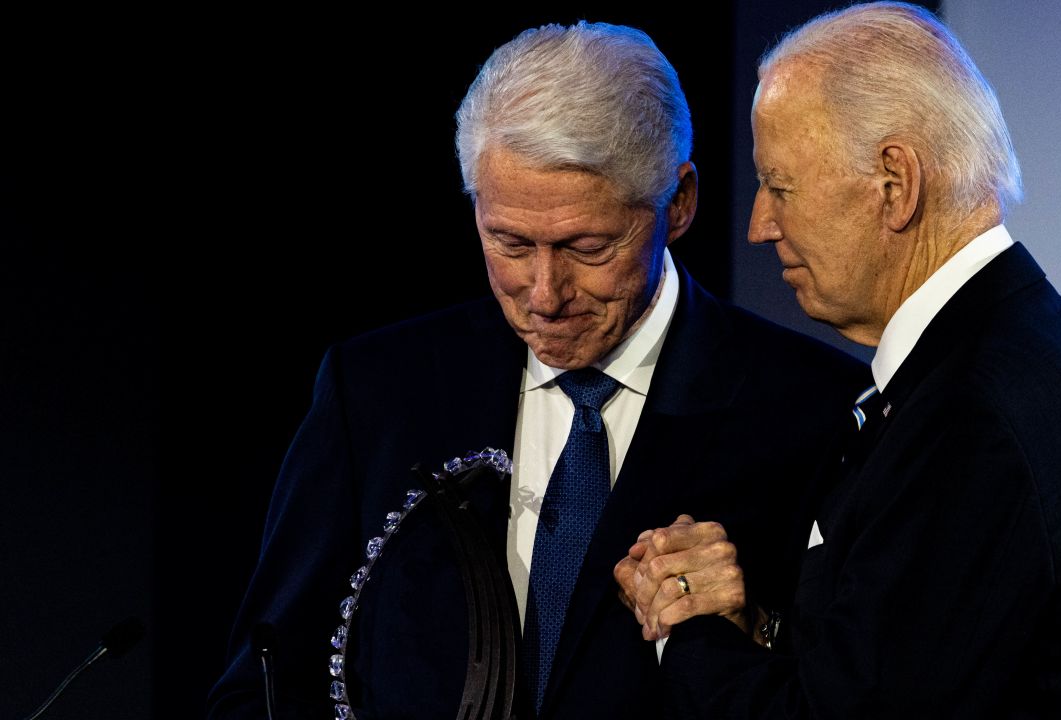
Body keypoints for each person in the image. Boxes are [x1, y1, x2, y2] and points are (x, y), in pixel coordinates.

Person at [207, 21, 867, 720]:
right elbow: (266, 686)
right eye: (510, 242)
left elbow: (850, 691)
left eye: (587, 246)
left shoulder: (812, 412)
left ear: (678, 204)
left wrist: (753, 625)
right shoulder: (377, 392)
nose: (545, 294)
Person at [616, 3, 1061, 717]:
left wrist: (684, 626)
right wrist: (753, 628)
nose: (760, 224)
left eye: (781, 187)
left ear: (895, 182)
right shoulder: (1011, 361)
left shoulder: (974, 418)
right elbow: (902, 670)